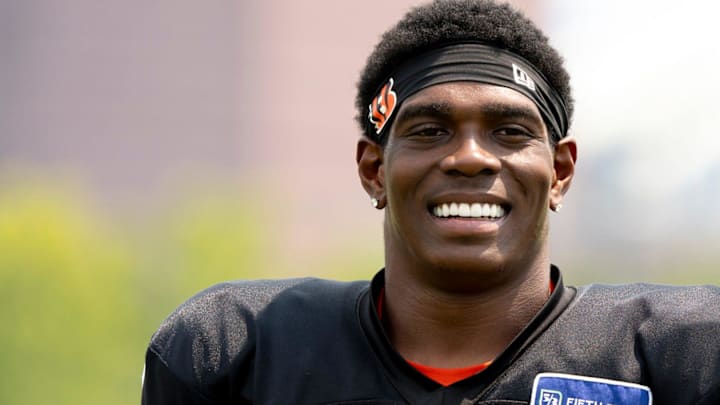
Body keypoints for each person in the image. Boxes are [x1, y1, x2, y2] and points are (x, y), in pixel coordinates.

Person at [141, 0, 720, 403]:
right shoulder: (236, 351)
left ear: (561, 171)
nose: (470, 157)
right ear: (373, 169)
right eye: (429, 130)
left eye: (510, 132)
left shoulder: (682, 355)